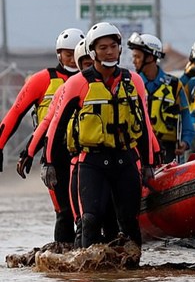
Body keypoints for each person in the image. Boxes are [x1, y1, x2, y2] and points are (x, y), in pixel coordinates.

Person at [41, 22, 158, 249]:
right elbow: (56, 125)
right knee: (90, 220)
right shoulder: (77, 83)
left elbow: (144, 125)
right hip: (91, 164)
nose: (109, 52)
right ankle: (88, 279)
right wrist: (49, 162)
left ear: (120, 49)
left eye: (113, 46)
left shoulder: (133, 81)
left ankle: (132, 279)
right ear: (93, 52)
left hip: (125, 160)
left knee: (129, 223)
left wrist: (148, 163)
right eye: (103, 47)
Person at [0, 27, 85, 243]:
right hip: (53, 155)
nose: (73, 59)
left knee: (87, 213)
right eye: (68, 54)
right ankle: (63, 266)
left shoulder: (92, 79)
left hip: (85, 153)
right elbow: (15, 113)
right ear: (59, 54)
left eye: (77, 53)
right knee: (64, 213)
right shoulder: (42, 79)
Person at [128, 32, 195, 163]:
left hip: (168, 150)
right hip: (138, 148)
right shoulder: (130, 84)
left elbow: (185, 115)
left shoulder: (174, 85)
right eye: (133, 56)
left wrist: (186, 141)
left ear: (150, 57)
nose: (133, 60)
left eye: (137, 56)